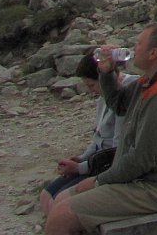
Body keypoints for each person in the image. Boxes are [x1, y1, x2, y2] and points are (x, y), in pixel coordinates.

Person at [45, 23, 157, 235]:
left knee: (61, 216)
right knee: (61, 199)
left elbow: (141, 160)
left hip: (155, 189)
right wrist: (106, 72)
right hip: (140, 182)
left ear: (153, 53)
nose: (134, 47)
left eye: (139, 43)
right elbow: (118, 103)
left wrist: (98, 180)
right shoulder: (151, 81)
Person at [38, 49, 135, 215]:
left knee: (59, 202)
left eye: (92, 85)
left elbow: (117, 148)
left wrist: (80, 168)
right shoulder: (104, 97)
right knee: (46, 196)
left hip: (107, 166)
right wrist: (82, 158)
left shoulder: (127, 93)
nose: (91, 90)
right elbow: (99, 136)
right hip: (95, 160)